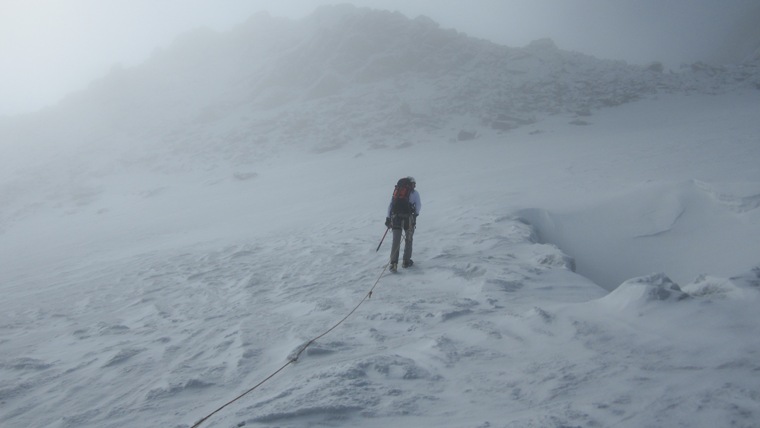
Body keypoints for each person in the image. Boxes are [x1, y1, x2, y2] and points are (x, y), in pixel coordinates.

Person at [385, 176, 421, 272]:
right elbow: (418, 206)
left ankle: (393, 264)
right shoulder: (414, 193)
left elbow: (391, 205)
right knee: (408, 239)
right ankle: (406, 261)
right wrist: (415, 215)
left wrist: (388, 218)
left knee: (396, 240)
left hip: (396, 218)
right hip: (408, 219)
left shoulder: (397, 192)